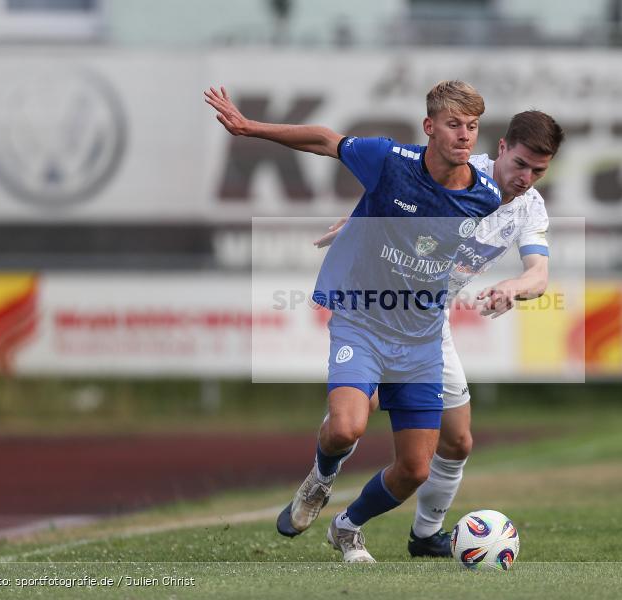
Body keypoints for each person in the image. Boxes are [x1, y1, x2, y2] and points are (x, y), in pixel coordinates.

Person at [205, 80, 502, 563]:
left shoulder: (484, 197)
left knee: (415, 470)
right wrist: (249, 127)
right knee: (345, 429)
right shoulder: (389, 161)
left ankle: (346, 528)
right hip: (362, 319)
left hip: (422, 340)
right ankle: (319, 482)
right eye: (453, 125)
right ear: (429, 127)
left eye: (472, 127)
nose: (465, 136)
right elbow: (325, 140)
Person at [314, 110, 564, 557]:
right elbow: (397, 192)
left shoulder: (530, 207)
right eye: (521, 164)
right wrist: (357, 224)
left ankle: (424, 535)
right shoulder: (461, 172)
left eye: (539, 171)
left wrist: (514, 287)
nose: (526, 178)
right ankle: (323, 470)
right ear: (502, 148)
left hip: (430, 325)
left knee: (458, 441)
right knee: (354, 415)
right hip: (380, 308)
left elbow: (539, 275)